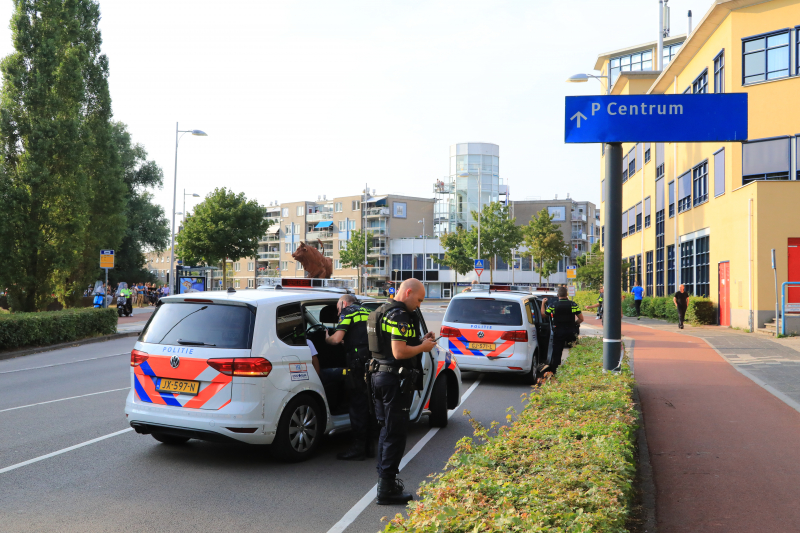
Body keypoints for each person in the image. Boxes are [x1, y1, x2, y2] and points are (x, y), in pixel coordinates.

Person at [368, 278, 436, 505]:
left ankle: (384, 482)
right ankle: (386, 489)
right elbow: (398, 352)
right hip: (394, 381)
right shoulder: (400, 316)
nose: (419, 305)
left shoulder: (381, 311)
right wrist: (423, 347)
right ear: (408, 292)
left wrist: (419, 341)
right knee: (395, 434)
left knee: (386, 430)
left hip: (378, 376)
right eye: (419, 300)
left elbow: (388, 347)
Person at [325, 294, 374, 461]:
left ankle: (358, 449)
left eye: (338, 308)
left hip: (357, 365)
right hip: (372, 364)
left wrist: (327, 339)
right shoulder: (369, 311)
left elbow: (336, 339)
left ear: (344, 303)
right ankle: (369, 447)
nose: (338, 312)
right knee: (369, 404)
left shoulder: (348, 311)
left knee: (357, 405)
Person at [543, 286, 584, 378]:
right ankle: (574, 372)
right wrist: (574, 324)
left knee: (557, 353)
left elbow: (544, 315)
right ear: (567, 294)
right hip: (571, 332)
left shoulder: (553, 305)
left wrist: (543, 304)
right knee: (574, 352)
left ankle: (555, 373)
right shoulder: (573, 304)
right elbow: (581, 319)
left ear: (558, 295)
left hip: (558, 332)